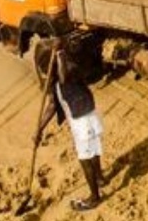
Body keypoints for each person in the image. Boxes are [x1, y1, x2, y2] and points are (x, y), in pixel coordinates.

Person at [35, 40, 104, 212]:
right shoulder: (56, 78)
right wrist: (39, 129)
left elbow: (64, 77)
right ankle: (100, 178)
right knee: (93, 151)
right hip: (84, 117)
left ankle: (94, 197)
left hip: (83, 120)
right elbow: (52, 105)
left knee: (85, 158)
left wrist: (59, 55)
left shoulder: (68, 69)